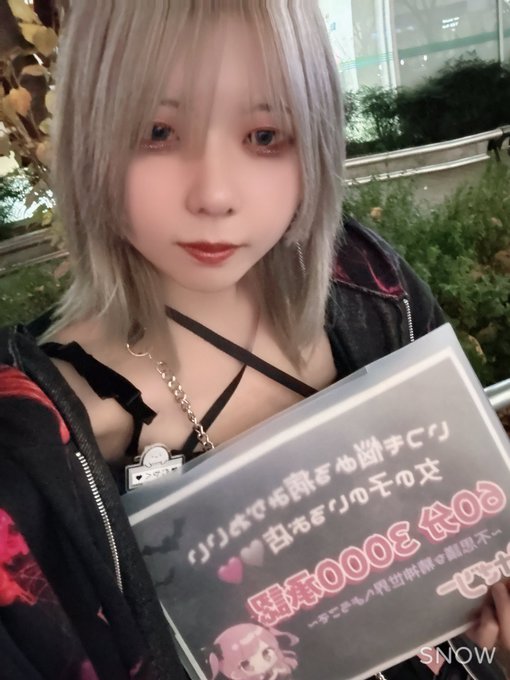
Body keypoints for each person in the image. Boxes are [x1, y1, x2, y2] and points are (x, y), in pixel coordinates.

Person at [0, 1, 508, 679]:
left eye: (265, 136)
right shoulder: (33, 451)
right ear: (92, 135)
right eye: (157, 131)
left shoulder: (367, 286)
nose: (215, 195)